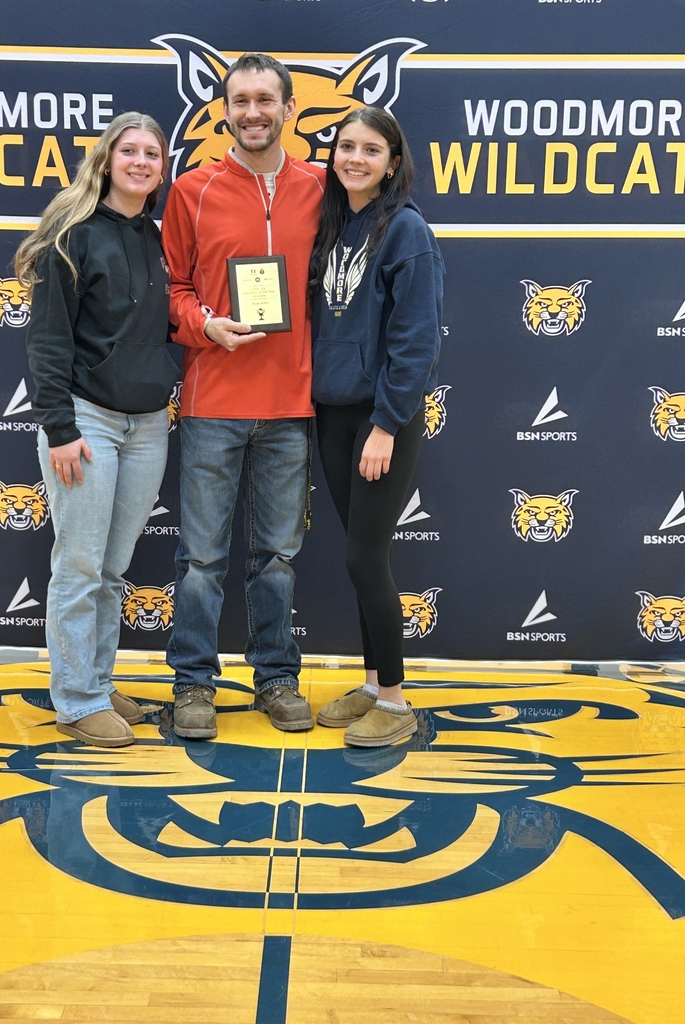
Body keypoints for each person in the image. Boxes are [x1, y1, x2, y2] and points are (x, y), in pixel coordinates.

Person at [161, 53, 326, 739]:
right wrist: (205, 326)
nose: (253, 111)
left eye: (266, 99)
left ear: (289, 109)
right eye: (240, 100)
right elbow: (169, 290)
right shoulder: (191, 190)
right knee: (200, 558)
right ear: (223, 110)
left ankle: (276, 678)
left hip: (292, 405)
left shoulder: (323, 187)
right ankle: (194, 683)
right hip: (211, 402)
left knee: (276, 558)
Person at [15, 112, 179, 747]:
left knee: (112, 568)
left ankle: (97, 680)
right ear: (107, 159)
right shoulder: (72, 233)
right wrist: (58, 427)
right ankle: (77, 699)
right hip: (85, 420)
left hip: (147, 424)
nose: (141, 161)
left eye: (152, 153)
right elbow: (48, 338)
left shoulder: (157, 237)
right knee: (80, 564)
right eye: (129, 150)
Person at [309, 106, 444, 748]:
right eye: (345, 146)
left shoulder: (406, 229)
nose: (354, 158)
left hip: (377, 418)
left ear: (393, 161)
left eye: (370, 149)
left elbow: (416, 340)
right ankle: (370, 684)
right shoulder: (337, 223)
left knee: (367, 557)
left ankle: (394, 699)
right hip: (331, 413)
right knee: (360, 557)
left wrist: (387, 424)